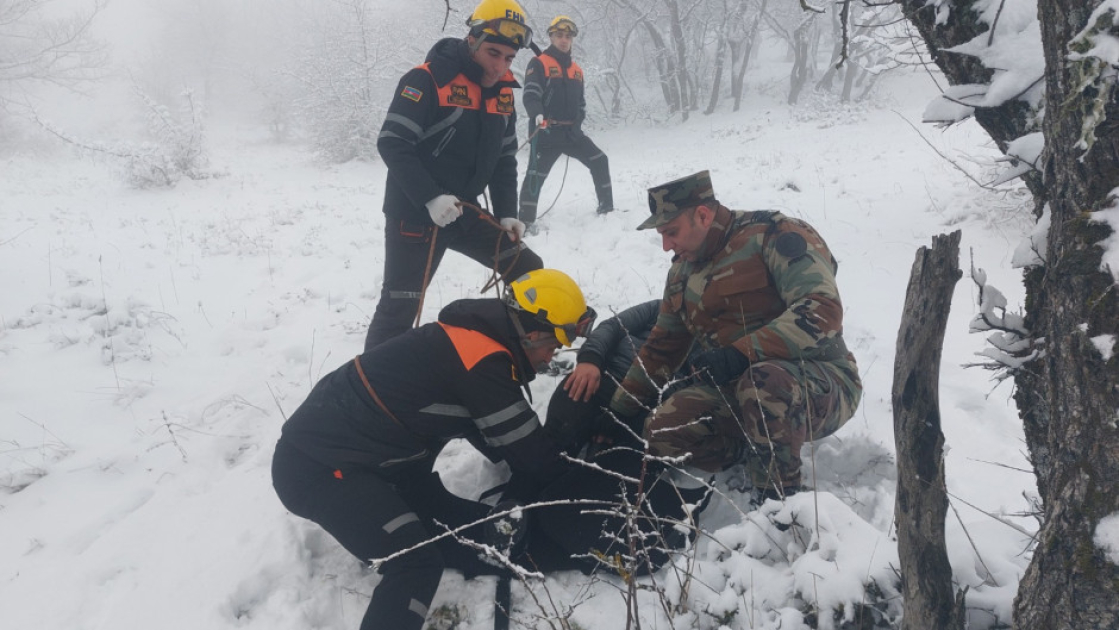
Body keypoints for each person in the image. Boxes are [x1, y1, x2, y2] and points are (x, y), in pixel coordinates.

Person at [272, 269, 597, 630]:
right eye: (553, 345)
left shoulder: (474, 340)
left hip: (381, 459)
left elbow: (501, 440)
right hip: (318, 468)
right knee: (415, 563)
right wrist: (594, 487)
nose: (551, 356)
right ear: (532, 333)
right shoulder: (482, 364)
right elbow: (534, 457)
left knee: (467, 530)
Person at [607, 170, 862, 501]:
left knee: (761, 383)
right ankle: (756, 451)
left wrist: (741, 353)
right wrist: (618, 414)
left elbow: (822, 309)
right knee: (663, 430)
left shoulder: (773, 235)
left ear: (702, 215)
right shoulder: (681, 273)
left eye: (672, 232)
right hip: (737, 391)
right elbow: (661, 348)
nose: (666, 245)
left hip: (818, 383)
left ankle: (778, 506)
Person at [365, 0, 543, 352]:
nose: (500, 66)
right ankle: (372, 392)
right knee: (400, 306)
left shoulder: (504, 90)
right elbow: (392, 142)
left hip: (464, 211)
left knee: (527, 267)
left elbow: (505, 158)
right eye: (493, 53)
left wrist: (508, 212)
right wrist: (430, 197)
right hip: (413, 216)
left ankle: (523, 347)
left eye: (509, 58)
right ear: (471, 40)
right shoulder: (428, 78)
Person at [518, 15, 613, 234]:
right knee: (535, 176)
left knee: (600, 160)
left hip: (571, 134)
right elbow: (531, 95)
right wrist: (537, 114)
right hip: (546, 132)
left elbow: (581, 103)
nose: (564, 40)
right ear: (551, 37)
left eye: (568, 36)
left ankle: (607, 209)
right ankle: (526, 222)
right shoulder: (539, 63)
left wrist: (578, 122)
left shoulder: (577, 70)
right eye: (559, 35)